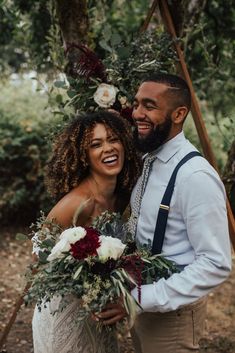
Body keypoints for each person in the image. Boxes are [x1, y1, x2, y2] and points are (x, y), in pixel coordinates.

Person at [98, 73, 232, 353]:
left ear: (179, 113)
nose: (137, 113)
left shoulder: (195, 176)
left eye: (149, 106)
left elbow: (215, 263)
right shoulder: (150, 160)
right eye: (136, 104)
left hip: (173, 318)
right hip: (143, 303)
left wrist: (141, 298)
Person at [32, 110, 141, 353]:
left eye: (113, 139)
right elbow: (38, 254)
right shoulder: (77, 203)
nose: (108, 148)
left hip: (97, 312)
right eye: (96, 144)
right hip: (65, 312)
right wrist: (81, 285)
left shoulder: (121, 197)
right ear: (84, 155)